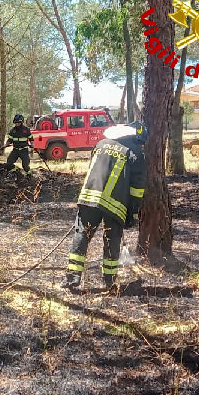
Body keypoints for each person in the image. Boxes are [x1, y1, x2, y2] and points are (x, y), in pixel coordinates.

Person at [65, 121, 147, 292]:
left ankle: (72, 279)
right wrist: (132, 213)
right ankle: (109, 282)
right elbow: (137, 189)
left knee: (81, 236)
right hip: (114, 204)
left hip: (88, 198)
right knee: (112, 240)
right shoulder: (135, 153)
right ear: (134, 137)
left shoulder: (100, 145)